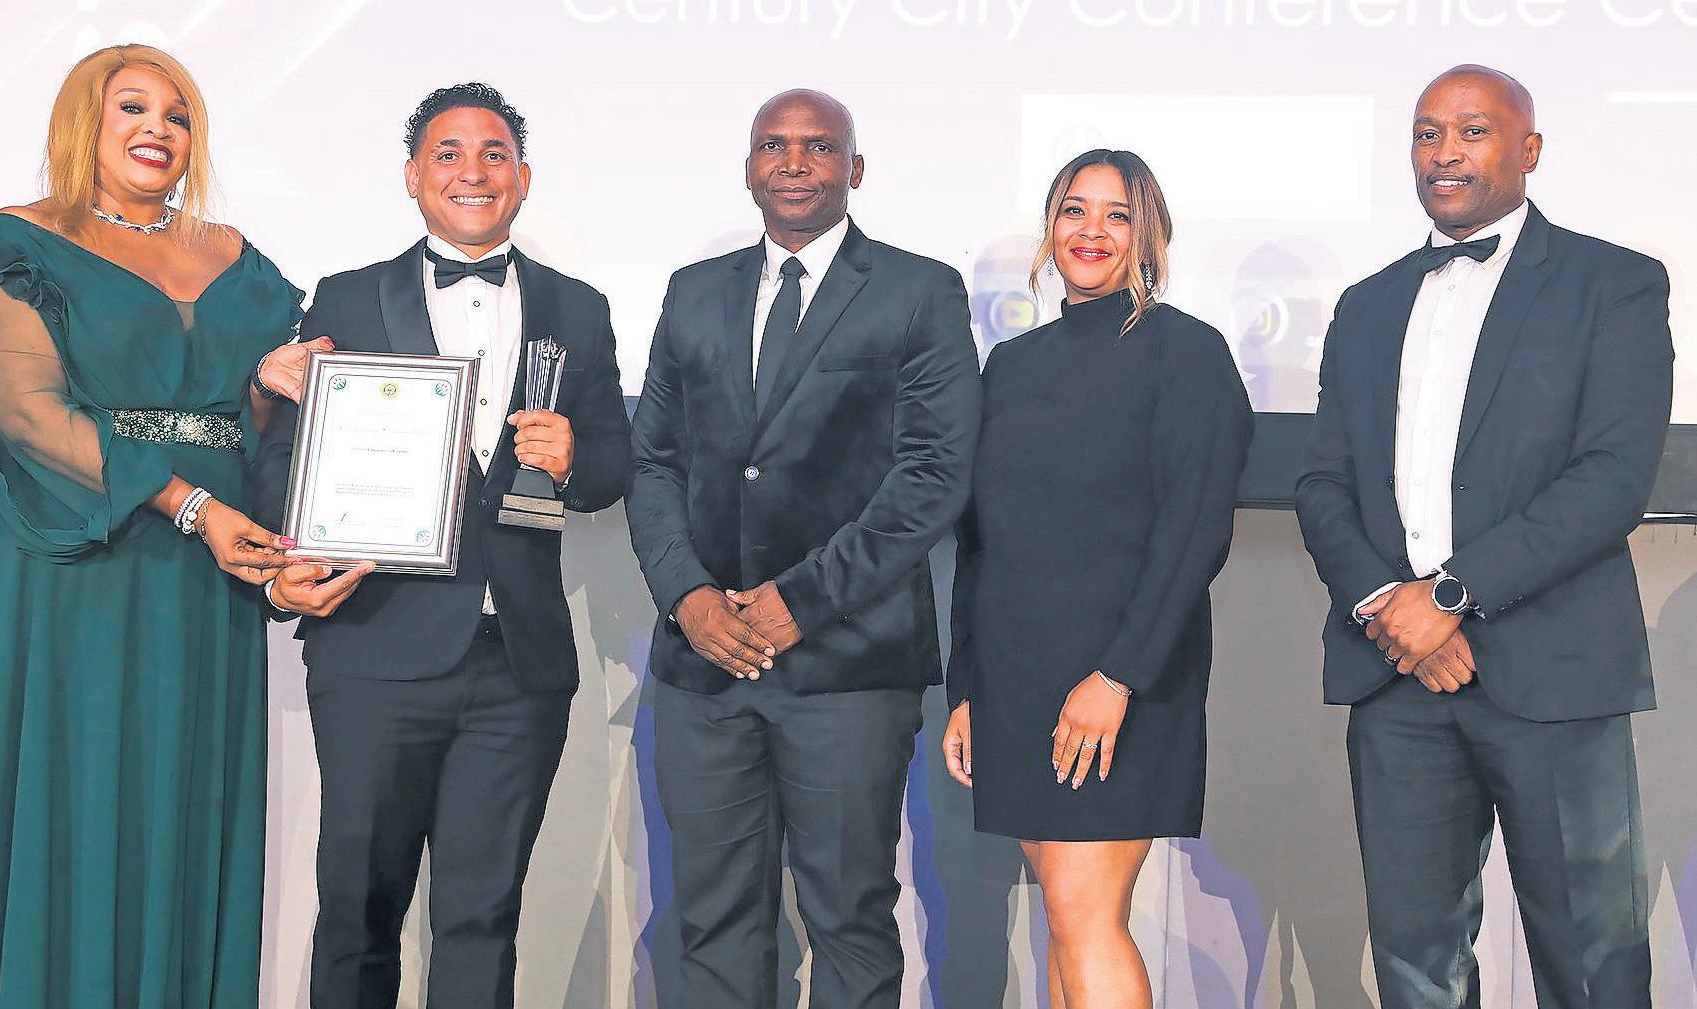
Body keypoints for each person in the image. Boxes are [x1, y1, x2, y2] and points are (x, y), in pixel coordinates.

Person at [0, 44, 321, 1008]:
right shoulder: (21, 242)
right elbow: (29, 415)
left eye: (178, 115)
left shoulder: (238, 259)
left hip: (195, 581)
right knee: (64, 790)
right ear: (83, 119)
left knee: (166, 798)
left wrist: (264, 392)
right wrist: (191, 506)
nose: (157, 128)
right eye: (132, 106)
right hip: (63, 561)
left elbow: (233, 421)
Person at [1295, 65, 1671, 1008]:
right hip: (1396, 676)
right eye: (1426, 133)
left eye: (1471, 131)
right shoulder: (1366, 302)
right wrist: (1389, 609)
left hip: (1554, 674)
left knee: (1591, 961)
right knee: (1414, 963)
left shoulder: (1612, 284)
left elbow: (1611, 478)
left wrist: (1448, 597)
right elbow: (1322, 482)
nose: (1443, 152)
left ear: (1528, 150)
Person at [250, 82, 630, 1009]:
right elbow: (288, 457)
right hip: (374, 647)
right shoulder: (347, 296)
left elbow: (616, 464)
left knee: (482, 919)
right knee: (357, 911)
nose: (473, 171)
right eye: (448, 154)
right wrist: (285, 567)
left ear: (523, 178)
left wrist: (576, 458)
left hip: (518, 663)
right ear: (413, 177)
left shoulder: (580, 308)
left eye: (495, 154)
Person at [626, 89, 981, 1007]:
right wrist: (688, 597)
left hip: (847, 666)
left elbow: (932, 475)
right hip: (704, 665)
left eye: (818, 147)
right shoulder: (692, 290)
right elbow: (653, 460)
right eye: (773, 146)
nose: (793, 163)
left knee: (849, 920)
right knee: (710, 921)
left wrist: (800, 600)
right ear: (747, 166)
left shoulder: (918, 289)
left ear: (853, 169)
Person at [940, 149, 1252, 1009]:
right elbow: (980, 542)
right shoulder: (1011, 364)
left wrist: (1116, 677)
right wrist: (968, 686)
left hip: (1121, 682)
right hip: (1017, 680)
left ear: (1148, 234)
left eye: (1117, 215)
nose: (1091, 231)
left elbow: (1194, 532)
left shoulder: (1186, 352)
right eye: (1074, 210)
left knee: (1083, 914)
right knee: (1064, 918)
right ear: (1050, 227)